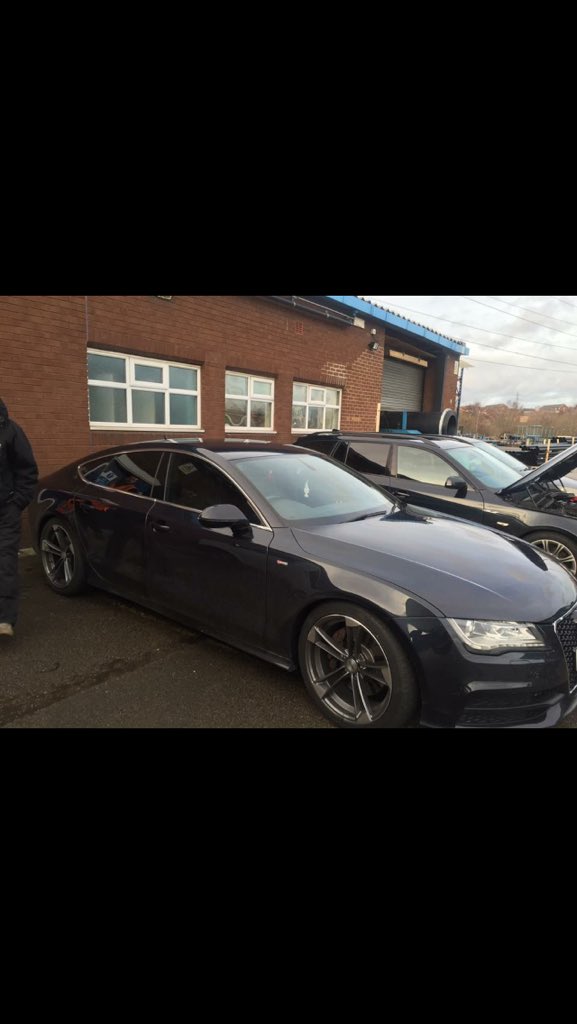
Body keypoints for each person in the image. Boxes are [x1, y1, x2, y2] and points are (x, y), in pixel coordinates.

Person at [0, 398, 38, 639]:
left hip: (5, 510)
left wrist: (16, 504)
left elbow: (28, 471)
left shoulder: (10, 431)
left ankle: (3, 619)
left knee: (5, 562)